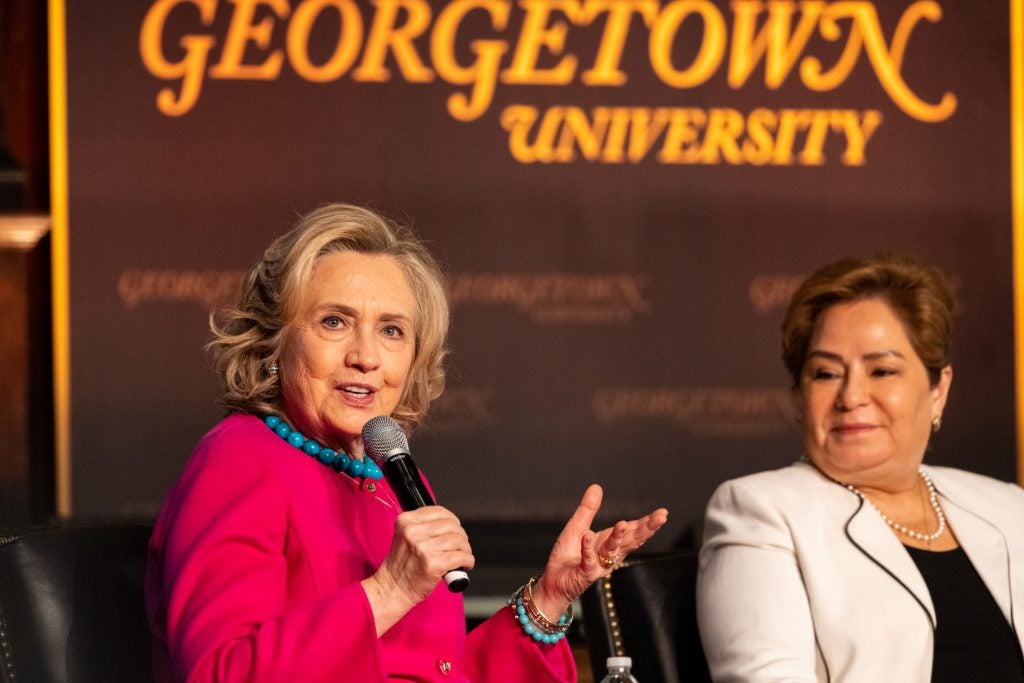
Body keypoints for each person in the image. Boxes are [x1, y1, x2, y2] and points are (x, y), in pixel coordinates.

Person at [145, 203, 668, 682]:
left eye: (391, 331)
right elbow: (219, 671)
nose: (366, 356)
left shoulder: (393, 478)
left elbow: (439, 671)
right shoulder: (240, 460)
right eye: (334, 322)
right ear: (274, 341)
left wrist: (549, 598)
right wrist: (389, 591)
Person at [696, 253, 1024, 682]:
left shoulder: (1008, 507)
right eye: (826, 373)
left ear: (938, 389)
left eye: (882, 370)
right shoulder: (759, 511)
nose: (851, 395)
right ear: (799, 395)